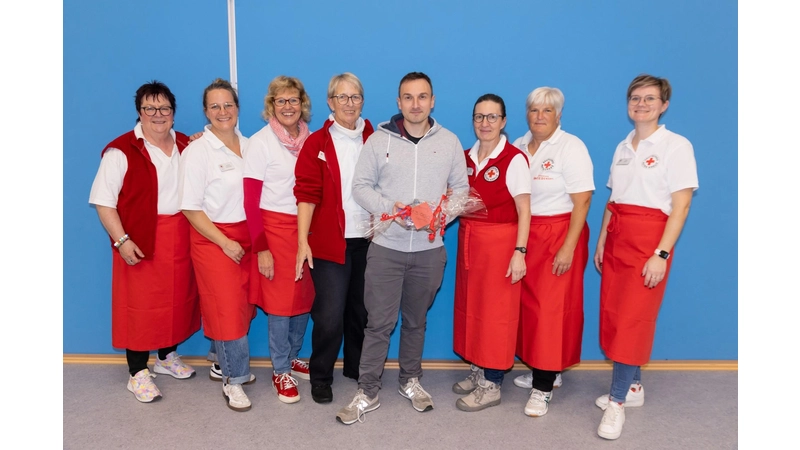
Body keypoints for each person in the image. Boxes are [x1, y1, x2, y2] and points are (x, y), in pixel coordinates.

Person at [336, 71, 469, 425]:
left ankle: (410, 380)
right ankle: (368, 390)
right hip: (386, 249)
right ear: (398, 102)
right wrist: (391, 209)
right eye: (408, 97)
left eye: (422, 97)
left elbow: (461, 190)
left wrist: (439, 215)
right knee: (378, 324)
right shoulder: (379, 142)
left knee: (415, 322)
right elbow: (360, 187)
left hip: (428, 251)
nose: (415, 104)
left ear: (432, 100)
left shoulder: (450, 142)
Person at [593, 74, 698, 440]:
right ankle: (634, 388)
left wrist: (661, 254)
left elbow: (681, 206)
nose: (641, 104)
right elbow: (614, 199)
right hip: (619, 238)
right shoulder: (623, 147)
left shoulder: (676, 146)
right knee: (615, 315)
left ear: (664, 104)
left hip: (650, 241)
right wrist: (603, 239)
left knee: (633, 320)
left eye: (649, 98)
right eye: (635, 98)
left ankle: (617, 403)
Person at [89, 80, 200, 403]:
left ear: (173, 113)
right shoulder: (120, 150)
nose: (158, 114)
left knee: (178, 298)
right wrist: (121, 240)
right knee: (139, 307)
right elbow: (103, 202)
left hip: (180, 233)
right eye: (150, 108)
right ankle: (137, 372)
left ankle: (166, 357)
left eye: (164, 108)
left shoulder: (185, 144)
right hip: (139, 238)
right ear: (139, 112)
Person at [510, 87, 595, 417]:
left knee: (550, 312)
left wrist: (568, 248)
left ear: (559, 115)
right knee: (529, 308)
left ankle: (543, 387)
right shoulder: (518, 146)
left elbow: (583, 200)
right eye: (534, 110)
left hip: (560, 233)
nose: (540, 116)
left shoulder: (570, 147)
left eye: (547, 110)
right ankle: (546, 370)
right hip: (527, 234)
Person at [294, 73, 374, 404]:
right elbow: (306, 194)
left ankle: (356, 370)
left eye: (354, 97)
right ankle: (321, 375)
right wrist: (303, 242)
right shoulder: (317, 143)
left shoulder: (377, 138)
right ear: (330, 102)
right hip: (329, 243)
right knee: (328, 315)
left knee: (362, 312)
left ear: (362, 101)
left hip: (370, 241)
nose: (349, 104)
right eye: (342, 97)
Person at [179, 78, 258, 412]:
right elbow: (190, 208)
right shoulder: (198, 151)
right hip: (214, 237)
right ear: (205, 111)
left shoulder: (252, 144)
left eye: (228, 105)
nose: (223, 111)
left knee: (243, 306)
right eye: (215, 106)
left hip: (248, 234)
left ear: (238, 109)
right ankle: (233, 379)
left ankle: (218, 360)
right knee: (226, 309)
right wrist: (224, 242)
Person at [451, 94, 531, 412]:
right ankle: (478, 368)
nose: (485, 124)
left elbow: (525, 210)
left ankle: (492, 383)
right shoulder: (466, 158)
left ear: (504, 121)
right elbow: (456, 201)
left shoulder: (514, 159)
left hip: (501, 245)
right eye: (479, 117)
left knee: (496, 313)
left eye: (492, 117)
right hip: (471, 243)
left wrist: (519, 252)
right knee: (473, 307)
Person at [243, 75, 315, 404]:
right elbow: (249, 200)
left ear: (303, 105)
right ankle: (280, 369)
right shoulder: (260, 142)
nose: (288, 106)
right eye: (280, 101)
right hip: (273, 229)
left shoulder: (310, 139)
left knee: (303, 299)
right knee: (280, 306)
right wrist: (261, 249)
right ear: (271, 106)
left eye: (293, 100)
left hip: (306, 229)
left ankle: (294, 355)